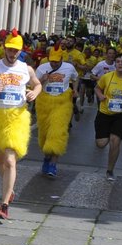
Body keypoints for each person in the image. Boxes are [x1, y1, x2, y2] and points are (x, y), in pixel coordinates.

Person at [0, 33, 40, 222]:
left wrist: (34, 92)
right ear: (4, 48)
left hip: (16, 117)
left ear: (20, 51)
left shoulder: (26, 69)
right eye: (9, 49)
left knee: (11, 161)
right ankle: (9, 190)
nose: (12, 53)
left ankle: (4, 205)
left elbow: (37, 85)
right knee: (0, 161)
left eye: (16, 50)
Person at [95, 51, 122, 180]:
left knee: (115, 142)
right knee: (101, 144)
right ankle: (107, 134)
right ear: (115, 64)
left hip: (121, 116)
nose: (120, 64)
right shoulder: (107, 77)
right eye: (118, 62)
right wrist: (100, 95)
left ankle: (110, 170)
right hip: (104, 113)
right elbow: (97, 88)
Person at [34, 46, 76, 177]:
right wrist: (42, 79)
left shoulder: (69, 68)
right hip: (44, 103)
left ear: (61, 59)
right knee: (45, 134)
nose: (54, 63)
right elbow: (33, 84)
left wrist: (75, 89)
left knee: (58, 132)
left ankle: (53, 164)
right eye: (52, 61)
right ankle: (47, 158)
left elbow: (76, 78)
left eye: (56, 61)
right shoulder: (42, 68)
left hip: (62, 103)